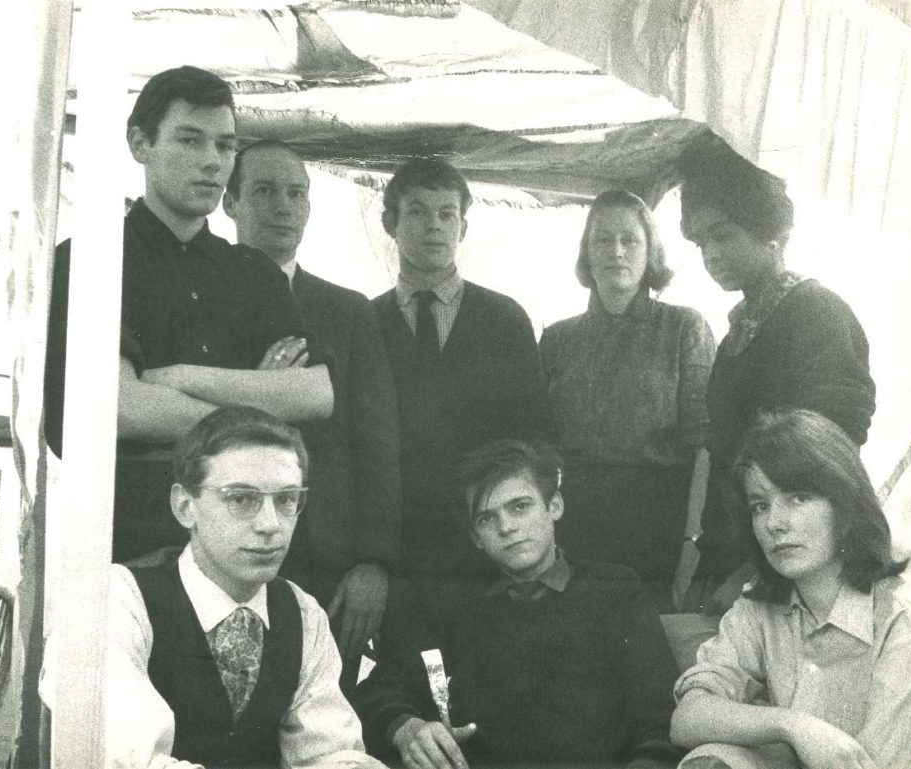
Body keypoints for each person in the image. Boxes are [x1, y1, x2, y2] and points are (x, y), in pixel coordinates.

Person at [44, 66, 333, 562]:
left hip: (250, 547)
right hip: (131, 544)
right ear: (140, 143)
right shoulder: (92, 257)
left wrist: (177, 378)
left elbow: (314, 394)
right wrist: (256, 412)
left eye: (224, 146)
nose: (211, 162)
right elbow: (120, 407)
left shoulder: (254, 272)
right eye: (189, 140)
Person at [42, 406, 385, 769]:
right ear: (185, 506)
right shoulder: (116, 600)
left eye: (285, 499)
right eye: (241, 499)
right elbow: (131, 762)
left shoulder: (303, 615)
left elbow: (333, 754)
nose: (271, 525)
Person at [355, 439, 684, 769]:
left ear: (553, 506)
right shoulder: (456, 601)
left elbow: (660, 718)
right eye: (486, 518)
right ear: (475, 538)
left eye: (519, 507)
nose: (506, 527)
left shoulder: (615, 590)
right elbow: (380, 689)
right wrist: (407, 729)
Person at [223, 139, 402, 690]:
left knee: (320, 710)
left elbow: (378, 441)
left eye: (296, 193)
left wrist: (375, 562)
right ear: (229, 202)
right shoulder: (203, 296)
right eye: (264, 191)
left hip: (330, 558)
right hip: (226, 550)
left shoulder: (346, 310)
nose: (283, 206)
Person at [670, 409, 911, 769]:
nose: (775, 524)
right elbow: (687, 718)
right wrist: (793, 726)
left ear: (844, 502)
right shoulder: (758, 607)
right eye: (760, 505)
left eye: (798, 498)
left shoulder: (908, 627)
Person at [678, 140, 876, 613]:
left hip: (798, 558)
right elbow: (725, 456)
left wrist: (752, 575)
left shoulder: (817, 313)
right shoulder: (735, 334)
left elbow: (828, 462)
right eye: (701, 242)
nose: (710, 254)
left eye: (723, 235)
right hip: (734, 548)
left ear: (771, 231)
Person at [372, 157, 550, 586]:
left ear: (463, 228)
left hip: (489, 542)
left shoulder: (505, 318)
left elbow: (533, 435)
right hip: (398, 548)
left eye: (446, 213)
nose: (434, 225)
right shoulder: (365, 321)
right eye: (417, 211)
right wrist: (370, 558)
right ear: (390, 223)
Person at [539, 189, 715, 611]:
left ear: (650, 250)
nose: (616, 251)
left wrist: (693, 540)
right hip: (575, 526)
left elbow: (706, 447)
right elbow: (541, 445)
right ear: (587, 252)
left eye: (629, 240)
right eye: (602, 240)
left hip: (656, 528)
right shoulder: (559, 338)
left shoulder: (683, 329)